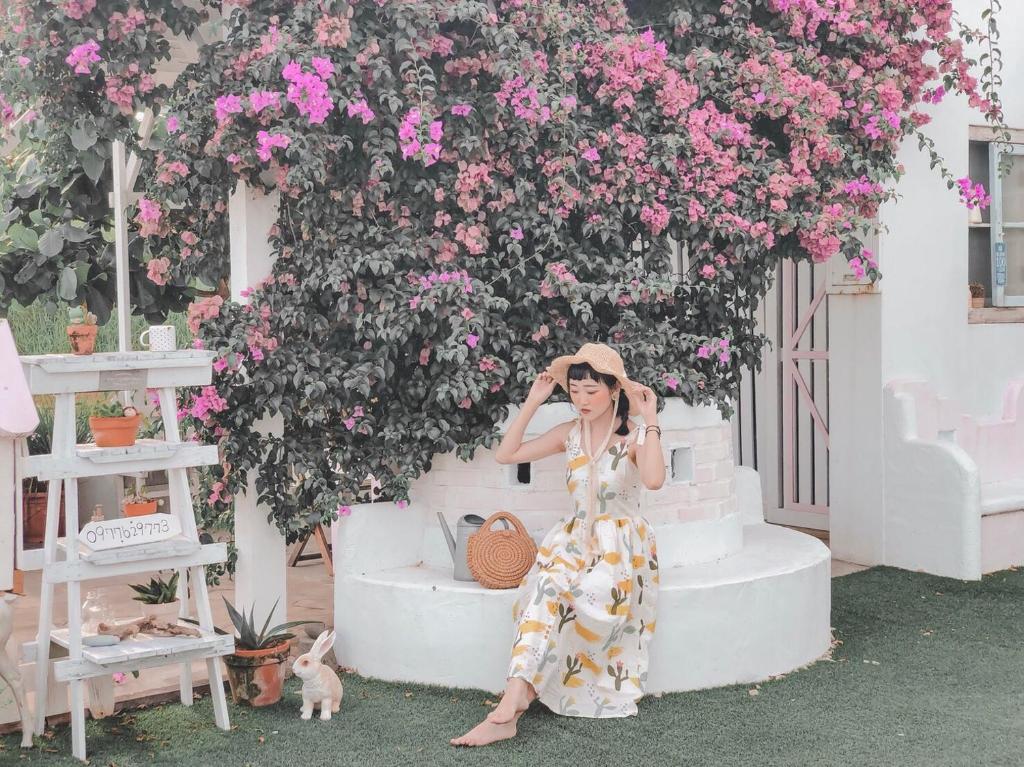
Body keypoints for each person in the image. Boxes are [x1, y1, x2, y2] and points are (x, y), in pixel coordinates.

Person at [451, 342, 665, 747]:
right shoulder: (569, 434)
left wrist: (651, 419)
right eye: (575, 390)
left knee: (583, 595)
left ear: (614, 391)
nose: (581, 400)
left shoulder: (634, 438)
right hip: (571, 541)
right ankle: (512, 702)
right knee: (544, 592)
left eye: (592, 390)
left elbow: (654, 480)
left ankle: (513, 705)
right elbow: (506, 454)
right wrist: (533, 402)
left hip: (621, 549)